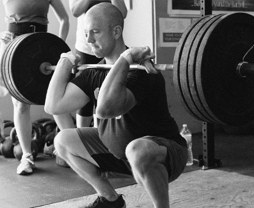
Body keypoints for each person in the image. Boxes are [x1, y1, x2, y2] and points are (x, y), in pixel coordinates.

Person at [44, 3, 188, 208]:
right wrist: (64, 63)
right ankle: (110, 199)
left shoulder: (141, 72)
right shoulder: (94, 71)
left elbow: (106, 108)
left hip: (164, 153)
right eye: (86, 33)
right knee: (63, 140)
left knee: (136, 150)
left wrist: (126, 59)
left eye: (95, 32)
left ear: (116, 31)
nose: (89, 40)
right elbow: (54, 105)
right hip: (118, 153)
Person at [0, 0, 69, 175]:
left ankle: (76, 149)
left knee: (55, 100)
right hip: (14, 52)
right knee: (21, 105)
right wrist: (1, 37)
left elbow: (64, 19)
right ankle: (26, 157)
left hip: (42, 52)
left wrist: (58, 48)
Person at [55, 0, 127, 129]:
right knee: (85, 96)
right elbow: (75, 11)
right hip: (85, 49)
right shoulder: (88, 39)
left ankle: (110, 132)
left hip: (109, 48)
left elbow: (122, 13)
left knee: (112, 88)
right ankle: (82, 134)